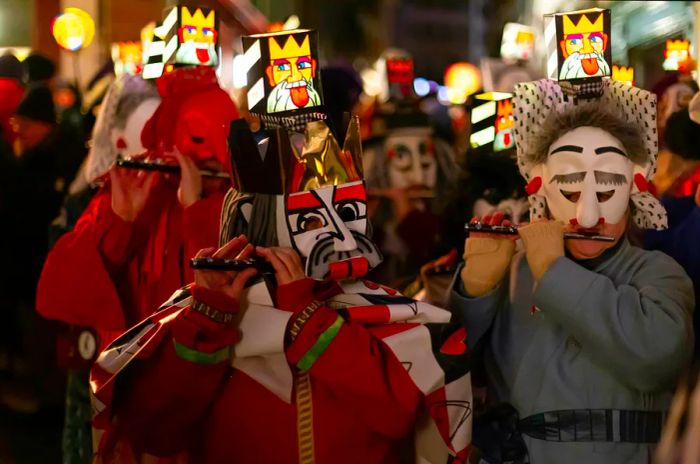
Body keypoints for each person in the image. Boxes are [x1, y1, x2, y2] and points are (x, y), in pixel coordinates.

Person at [89, 116, 472, 464]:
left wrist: (309, 319)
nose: (342, 237)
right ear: (259, 221)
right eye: (311, 219)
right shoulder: (209, 313)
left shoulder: (389, 315)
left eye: (351, 213)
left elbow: (396, 413)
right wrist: (210, 318)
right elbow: (155, 431)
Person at [449, 78, 694, 463]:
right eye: (571, 189)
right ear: (540, 185)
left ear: (635, 185)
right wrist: (473, 291)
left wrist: (553, 270)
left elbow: (657, 358)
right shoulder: (514, 274)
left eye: (608, 188)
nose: (588, 215)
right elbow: (449, 375)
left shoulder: (658, 273)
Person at [36, 65, 237, 366]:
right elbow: (66, 291)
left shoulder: (239, 201)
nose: (216, 155)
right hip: (132, 374)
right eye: (197, 139)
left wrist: (197, 211)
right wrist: (120, 222)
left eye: (226, 137)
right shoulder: (133, 188)